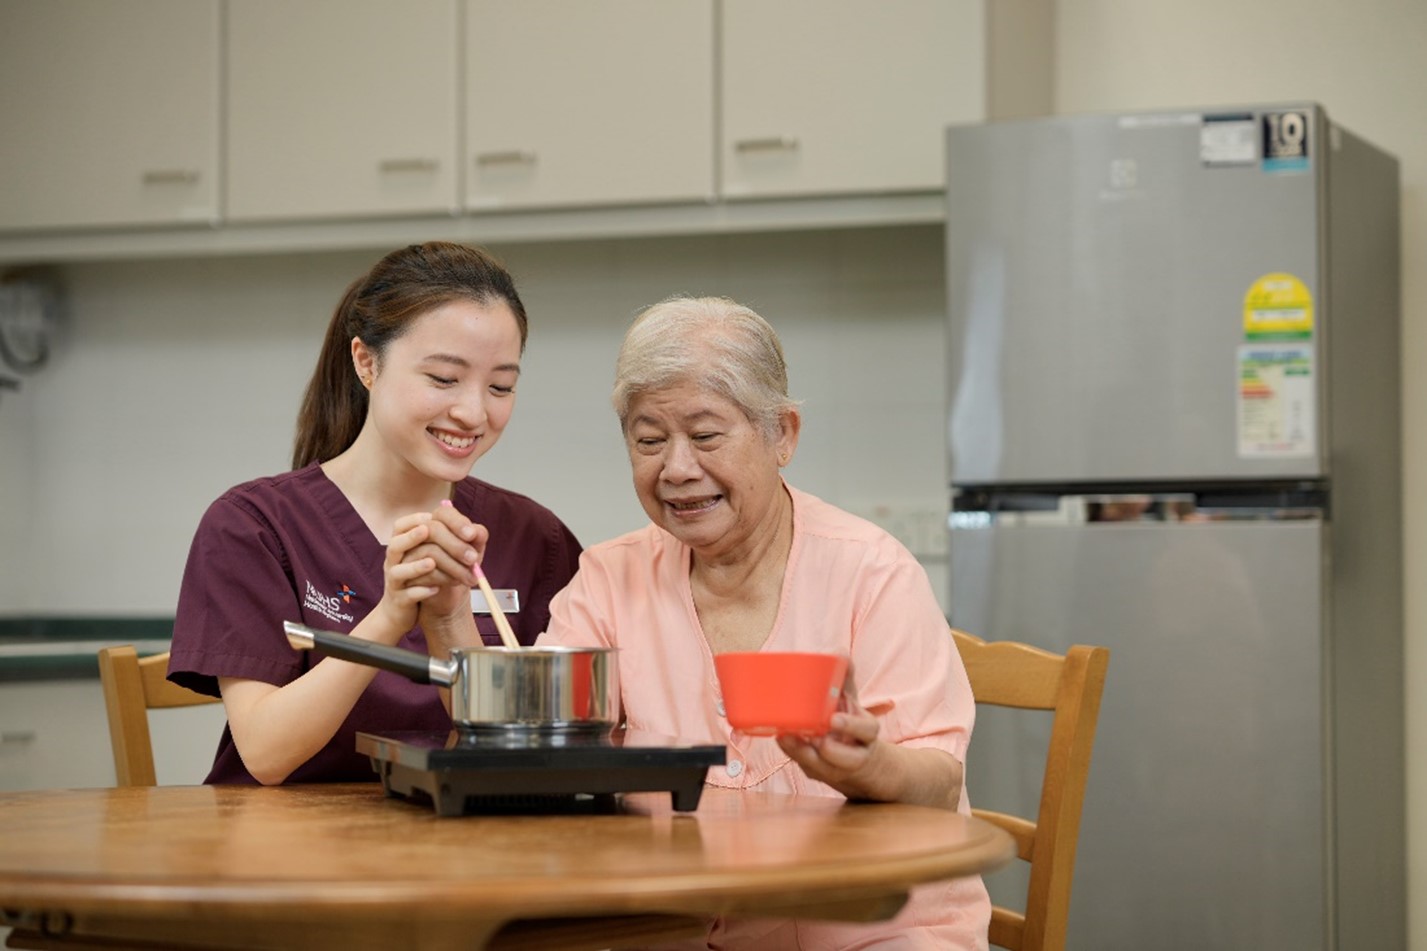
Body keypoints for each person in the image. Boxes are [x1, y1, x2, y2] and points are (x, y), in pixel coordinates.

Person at [537, 296, 991, 949]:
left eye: (705, 433)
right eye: (648, 439)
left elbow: (938, 781)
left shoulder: (870, 572)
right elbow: (546, 752)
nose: (676, 468)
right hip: (681, 926)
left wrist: (868, 767)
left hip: (870, 928)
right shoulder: (609, 579)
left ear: (782, 433)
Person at [168, 241, 581, 785]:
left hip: (465, 856)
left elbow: (531, 762)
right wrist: (389, 616)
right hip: (284, 855)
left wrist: (449, 618)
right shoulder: (253, 526)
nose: (474, 411)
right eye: (443, 379)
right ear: (366, 362)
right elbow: (266, 754)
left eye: (500, 386)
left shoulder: (536, 538)